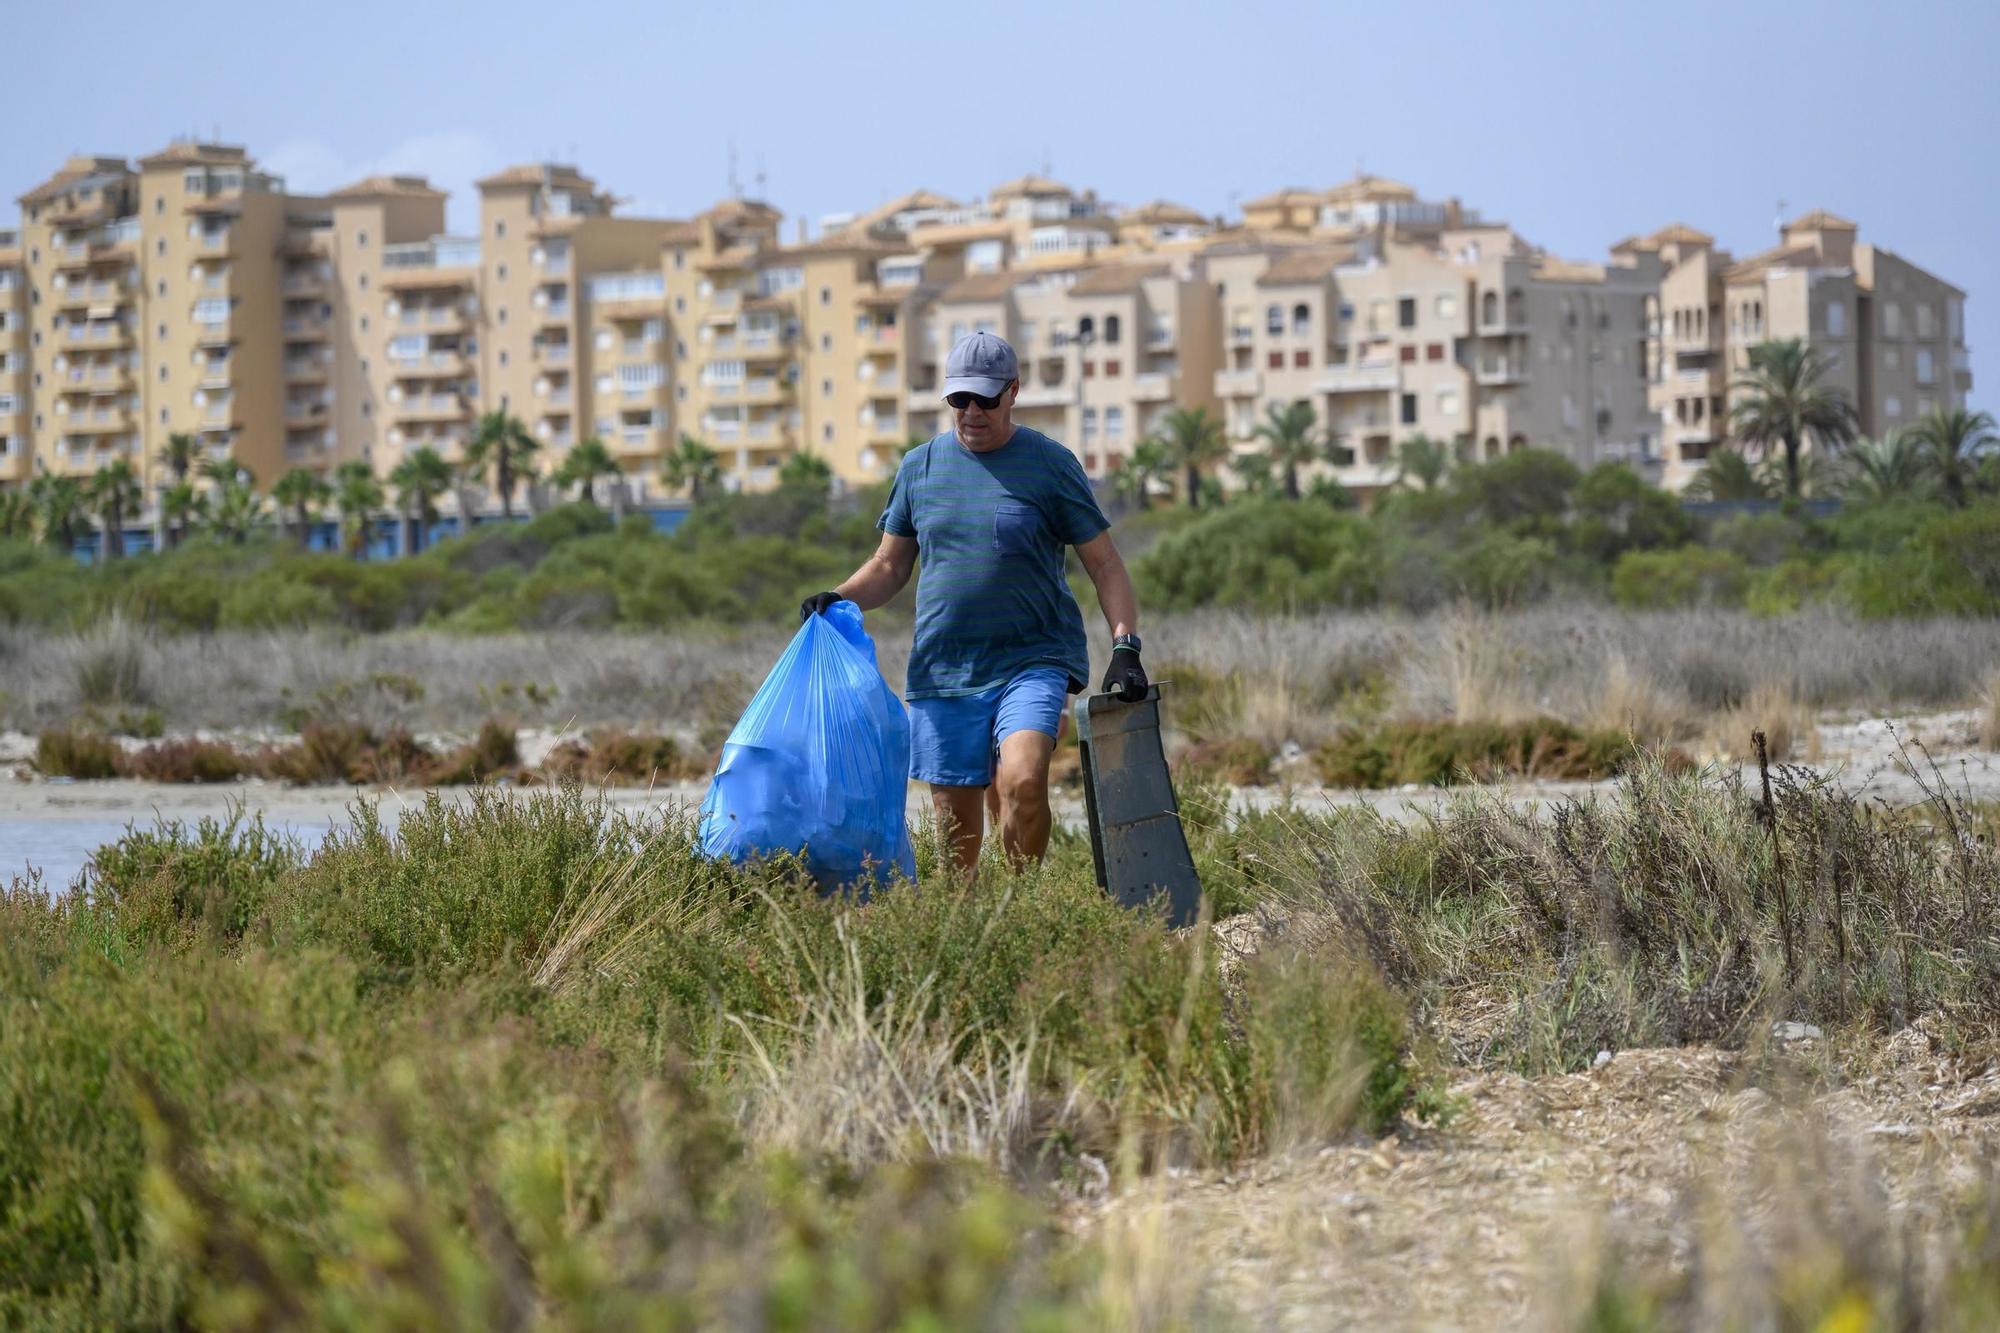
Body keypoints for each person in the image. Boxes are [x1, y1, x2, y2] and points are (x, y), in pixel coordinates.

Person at [801, 330, 1146, 876]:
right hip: (945, 669)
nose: (972, 411)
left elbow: (1104, 562)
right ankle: (970, 930)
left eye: (985, 398)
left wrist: (1126, 645)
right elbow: (890, 566)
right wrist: (836, 599)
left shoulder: (1050, 465)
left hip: (1033, 658)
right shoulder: (919, 467)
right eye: (960, 399)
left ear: (1013, 391)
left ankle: (1020, 902)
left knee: (1025, 780)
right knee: (956, 833)